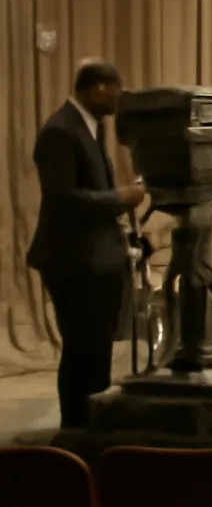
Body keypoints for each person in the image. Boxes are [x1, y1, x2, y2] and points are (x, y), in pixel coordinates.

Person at [27, 61, 146, 429]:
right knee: (82, 351)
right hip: (72, 261)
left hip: (96, 259)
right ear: (97, 88)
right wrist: (121, 197)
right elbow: (64, 199)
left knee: (96, 352)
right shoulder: (61, 131)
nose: (119, 99)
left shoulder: (89, 129)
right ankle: (75, 429)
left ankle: (91, 425)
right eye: (117, 90)